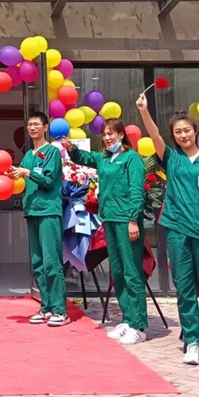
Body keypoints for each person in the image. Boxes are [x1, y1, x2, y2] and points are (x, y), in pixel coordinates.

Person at [136, 93, 199, 365]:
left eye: (187, 130)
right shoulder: (172, 158)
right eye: (178, 132)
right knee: (184, 287)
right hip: (177, 230)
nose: (183, 135)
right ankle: (192, 340)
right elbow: (154, 136)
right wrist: (144, 111)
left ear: (195, 131)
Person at [61, 118, 147, 343]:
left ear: (121, 135)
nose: (107, 138)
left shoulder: (132, 159)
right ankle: (127, 320)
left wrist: (133, 219)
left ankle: (139, 326)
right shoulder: (105, 158)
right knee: (117, 272)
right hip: (109, 219)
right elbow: (84, 158)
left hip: (126, 221)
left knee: (131, 272)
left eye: (111, 133)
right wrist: (71, 148)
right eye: (105, 134)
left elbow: (137, 190)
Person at [8, 112, 68, 327]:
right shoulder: (28, 155)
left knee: (52, 261)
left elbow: (49, 181)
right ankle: (46, 307)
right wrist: (13, 175)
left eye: (36, 124)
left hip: (48, 211)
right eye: (29, 125)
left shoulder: (52, 152)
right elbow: (23, 182)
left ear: (45, 127)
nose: (32, 128)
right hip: (32, 211)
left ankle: (60, 309)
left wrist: (27, 173)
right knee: (38, 262)